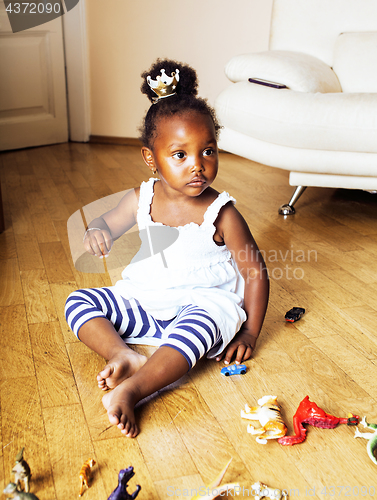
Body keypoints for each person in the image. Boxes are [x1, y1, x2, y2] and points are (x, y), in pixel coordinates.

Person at [65, 59, 269, 438]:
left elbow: (255, 272)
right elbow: (107, 221)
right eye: (180, 155)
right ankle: (120, 354)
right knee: (78, 302)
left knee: (198, 330)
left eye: (207, 151)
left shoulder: (221, 212)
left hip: (201, 303)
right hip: (146, 297)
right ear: (151, 158)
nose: (198, 165)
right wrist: (97, 231)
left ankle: (135, 389)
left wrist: (250, 333)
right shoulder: (141, 198)